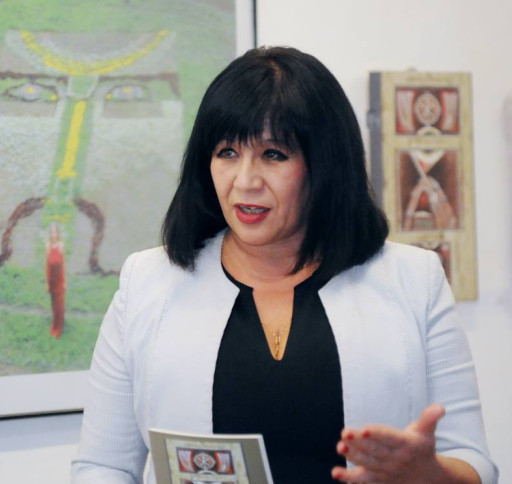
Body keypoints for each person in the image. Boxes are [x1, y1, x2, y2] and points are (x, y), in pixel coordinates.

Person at [72, 47, 497, 483]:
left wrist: (431, 475)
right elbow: (103, 466)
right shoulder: (146, 283)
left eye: (273, 154)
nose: (245, 182)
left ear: (325, 163)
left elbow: (471, 458)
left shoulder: (415, 280)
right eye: (227, 152)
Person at [46, 222, 66, 338]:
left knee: (59, 304)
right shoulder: (47, 246)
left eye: (55, 232)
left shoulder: (61, 246)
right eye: (51, 232)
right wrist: (48, 283)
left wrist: (64, 282)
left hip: (59, 279)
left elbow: (63, 265)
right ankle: (55, 322)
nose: (53, 235)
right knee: (54, 303)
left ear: (58, 233)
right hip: (51, 279)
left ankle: (59, 327)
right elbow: (47, 265)